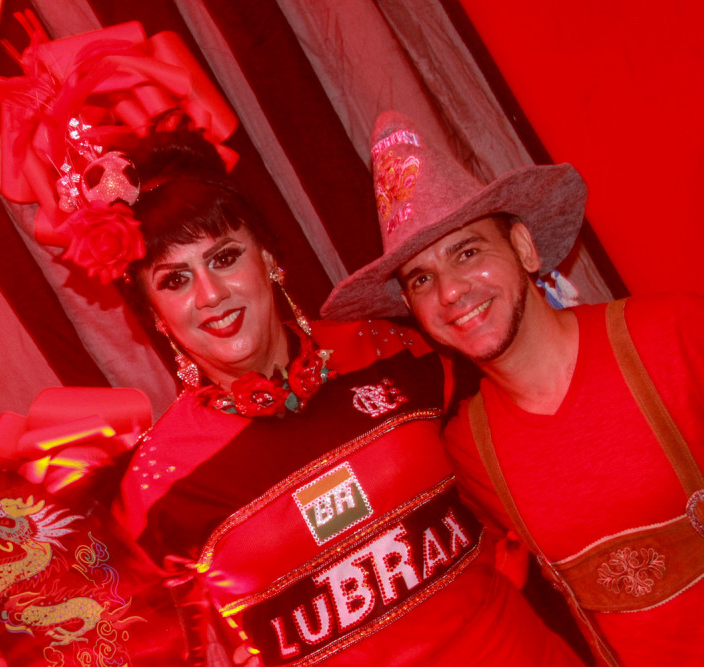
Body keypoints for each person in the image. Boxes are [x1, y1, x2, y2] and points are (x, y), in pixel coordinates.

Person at [321, 110, 704, 665]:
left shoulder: (673, 338)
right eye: (422, 279)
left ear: (524, 249)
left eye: (468, 252)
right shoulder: (468, 449)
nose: (451, 292)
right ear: (414, 311)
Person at [110, 125, 584, 666]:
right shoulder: (156, 486)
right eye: (175, 280)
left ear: (267, 258)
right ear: (155, 315)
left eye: (224, 258)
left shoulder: (399, 352)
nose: (210, 295)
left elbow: (535, 480)